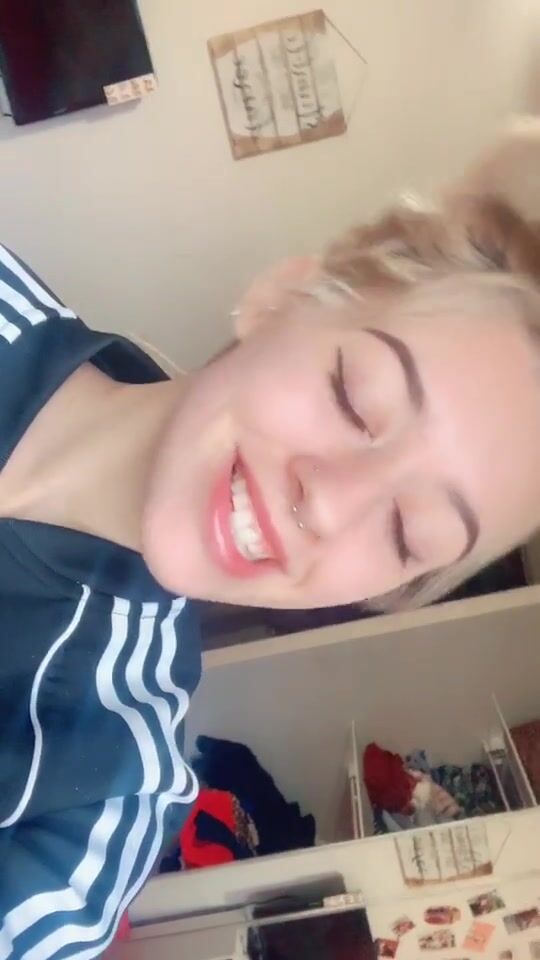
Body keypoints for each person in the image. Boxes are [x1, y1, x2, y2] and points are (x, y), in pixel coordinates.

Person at [2, 119, 540, 959]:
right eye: (355, 396)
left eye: (406, 533)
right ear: (283, 297)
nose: (330, 504)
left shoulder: (102, 802)